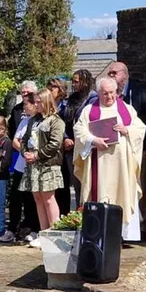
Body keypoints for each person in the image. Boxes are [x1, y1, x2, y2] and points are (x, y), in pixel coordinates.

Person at [73, 77, 146, 241]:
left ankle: (120, 235)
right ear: (99, 93)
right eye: (105, 93)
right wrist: (93, 140)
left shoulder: (126, 109)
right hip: (98, 164)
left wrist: (126, 129)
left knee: (122, 194)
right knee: (98, 193)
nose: (109, 97)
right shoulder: (89, 110)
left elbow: (140, 129)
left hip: (122, 165)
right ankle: (98, 233)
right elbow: (79, 130)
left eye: (112, 93)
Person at [106, 61, 146, 239]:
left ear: (125, 75)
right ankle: (115, 226)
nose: (111, 76)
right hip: (112, 152)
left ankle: (142, 227)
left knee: (139, 186)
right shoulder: (105, 97)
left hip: (137, 150)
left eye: (115, 73)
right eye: (110, 73)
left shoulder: (141, 94)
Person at [19, 88, 65, 248]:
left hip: (48, 164)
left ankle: (54, 233)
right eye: (35, 102)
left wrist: (37, 155)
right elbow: (24, 139)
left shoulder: (56, 121)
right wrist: (25, 152)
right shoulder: (33, 120)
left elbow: (55, 144)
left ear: (46, 102)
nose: (36, 105)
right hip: (33, 165)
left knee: (48, 198)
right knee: (38, 198)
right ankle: (43, 232)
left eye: (39, 102)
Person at [63, 69, 97, 209]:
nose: (74, 84)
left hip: (85, 146)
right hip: (70, 146)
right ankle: (78, 212)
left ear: (85, 82)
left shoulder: (93, 99)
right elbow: (64, 120)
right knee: (76, 183)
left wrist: (79, 140)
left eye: (77, 82)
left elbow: (90, 123)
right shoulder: (72, 98)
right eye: (73, 81)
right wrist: (65, 138)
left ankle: (89, 214)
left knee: (87, 183)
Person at [8, 93, 40, 242]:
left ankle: (32, 228)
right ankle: (12, 228)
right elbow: (15, 139)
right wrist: (24, 150)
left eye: (26, 104)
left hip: (32, 165)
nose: (24, 107)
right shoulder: (24, 122)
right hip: (20, 164)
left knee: (30, 200)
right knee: (15, 197)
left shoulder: (39, 122)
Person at [47, 77, 73, 215]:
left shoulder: (66, 106)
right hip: (49, 149)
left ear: (60, 89)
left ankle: (64, 215)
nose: (50, 91)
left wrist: (66, 138)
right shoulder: (46, 106)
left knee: (63, 183)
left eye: (53, 88)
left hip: (64, 150)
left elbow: (66, 124)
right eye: (49, 88)